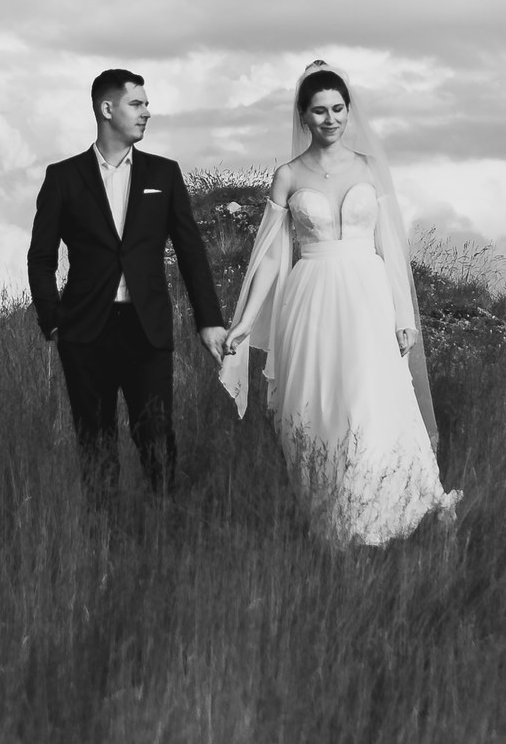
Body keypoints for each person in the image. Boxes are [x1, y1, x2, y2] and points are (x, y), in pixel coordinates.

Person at [221, 62, 458, 546]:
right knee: (321, 407)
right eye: (319, 111)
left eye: (338, 109)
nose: (330, 119)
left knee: (372, 400)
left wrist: (403, 317)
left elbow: (391, 247)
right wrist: (245, 321)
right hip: (310, 299)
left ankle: (389, 513)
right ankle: (337, 524)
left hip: (368, 296)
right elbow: (270, 259)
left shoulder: (369, 168)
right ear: (303, 116)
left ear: (349, 111)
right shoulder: (287, 175)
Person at [27, 69, 228, 500]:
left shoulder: (164, 173)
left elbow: (191, 252)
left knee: (156, 437)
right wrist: (53, 320)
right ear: (107, 109)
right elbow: (41, 258)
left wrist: (209, 320)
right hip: (85, 332)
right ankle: (105, 544)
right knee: (95, 445)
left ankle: (162, 538)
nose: (146, 113)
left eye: (145, 104)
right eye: (137, 104)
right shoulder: (63, 177)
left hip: (147, 328)